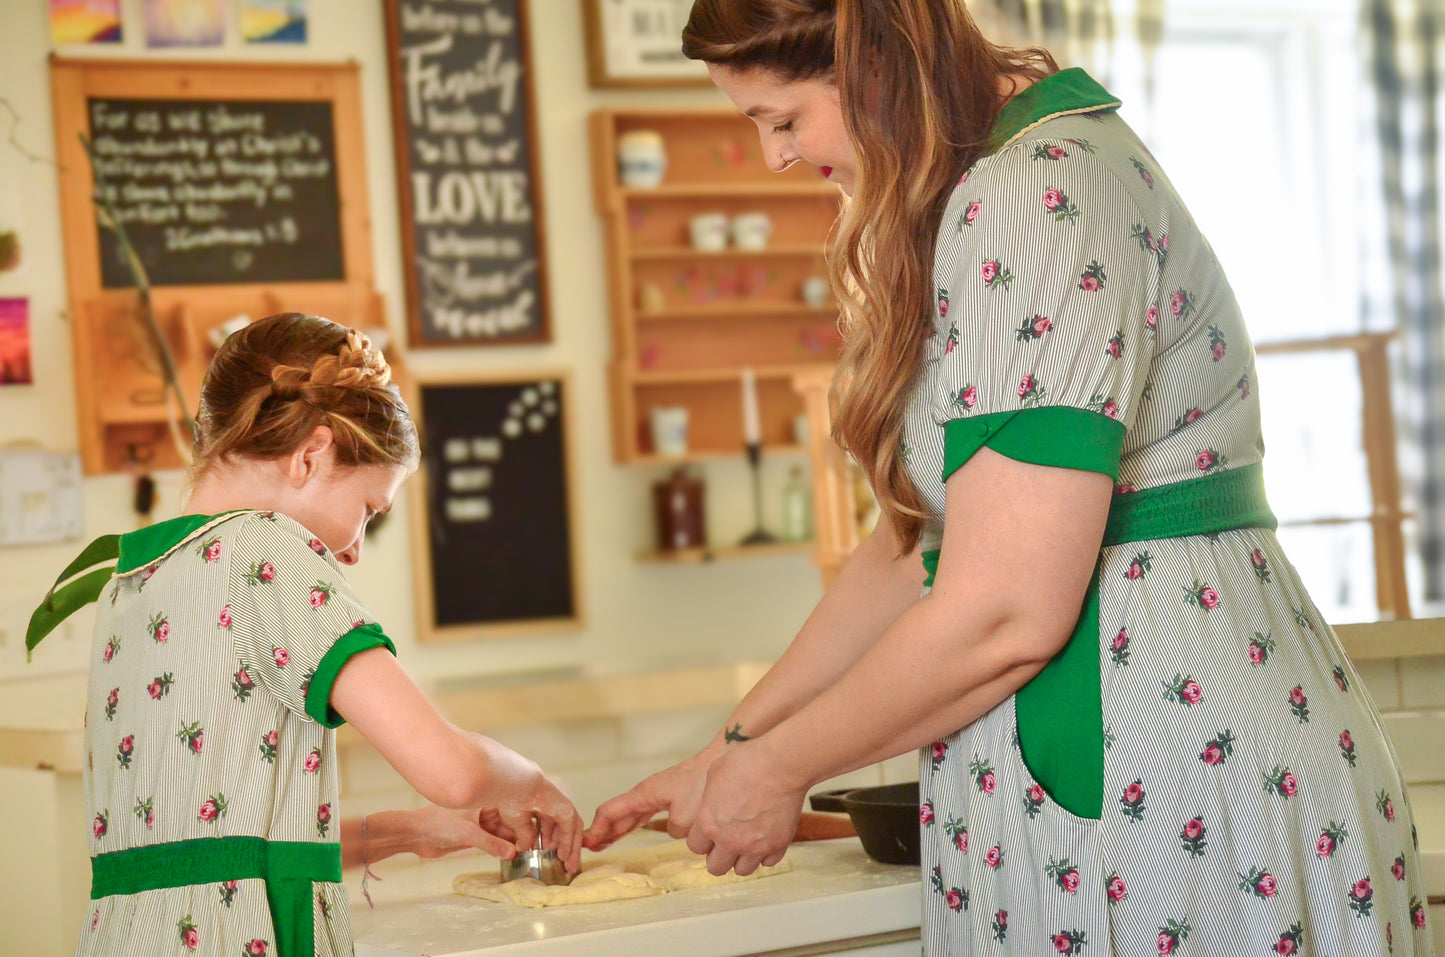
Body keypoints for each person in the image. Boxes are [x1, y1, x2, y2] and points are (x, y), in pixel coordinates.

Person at [585, 2, 1433, 954]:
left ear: (876, 63)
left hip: (1168, 770)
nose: (777, 157)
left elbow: (1004, 605)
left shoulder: (1035, 199)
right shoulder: (990, 192)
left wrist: (779, 769)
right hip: (1111, 774)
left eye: (784, 120)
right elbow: (916, 548)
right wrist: (729, 753)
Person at [27, 313, 582, 957]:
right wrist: (534, 782)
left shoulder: (132, 581)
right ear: (311, 455)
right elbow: (451, 771)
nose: (353, 551)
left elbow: (214, 851)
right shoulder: (270, 550)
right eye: (369, 513)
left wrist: (407, 832)